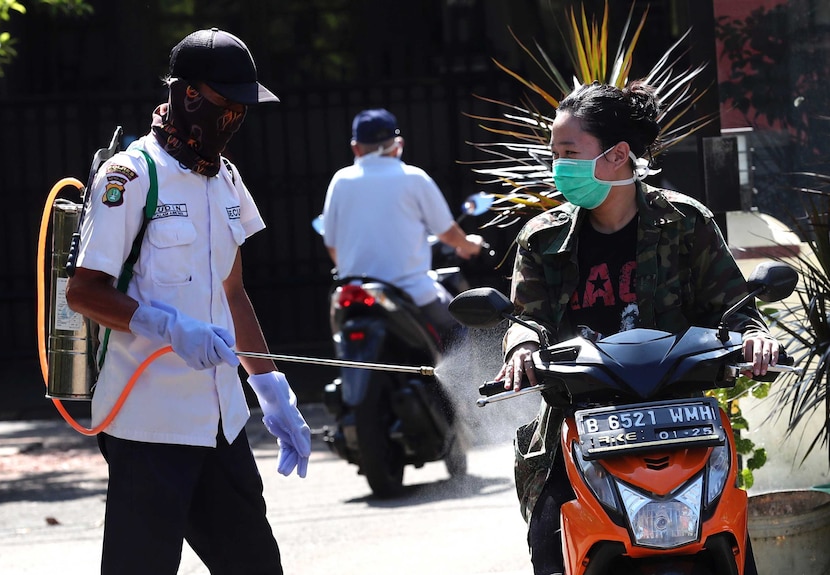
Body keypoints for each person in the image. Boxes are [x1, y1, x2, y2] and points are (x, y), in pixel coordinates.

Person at [495, 81, 771, 575]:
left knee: (728, 541)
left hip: (683, 421)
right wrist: (519, 347)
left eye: (569, 152)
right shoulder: (543, 238)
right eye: (554, 154)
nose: (558, 166)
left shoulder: (685, 221)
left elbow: (733, 306)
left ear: (618, 154)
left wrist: (754, 336)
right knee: (548, 539)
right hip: (580, 419)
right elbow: (526, 318)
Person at [66, 28, 309, 575]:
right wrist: (168, 327)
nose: (237, 117)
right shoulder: (130, 176)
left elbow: (233, 291)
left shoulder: (225, 176)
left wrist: (272, 391)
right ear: (188, 95)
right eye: (228, 103)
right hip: (147, 424)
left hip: (220, 421)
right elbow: (82, 292)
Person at [321, 108, 484, 346]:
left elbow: (332, 244)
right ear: (398, 144)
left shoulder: (340, 180)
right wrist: (470, 245)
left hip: (354, 292)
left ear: (356, 148)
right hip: (412, 291)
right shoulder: (413, 178)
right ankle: (462, 382)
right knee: (458, 327)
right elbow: (446, 232)